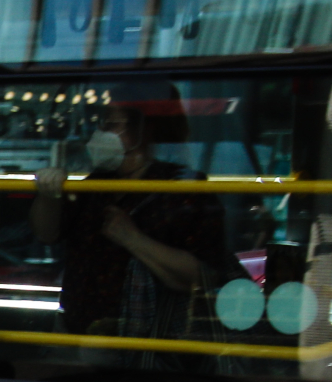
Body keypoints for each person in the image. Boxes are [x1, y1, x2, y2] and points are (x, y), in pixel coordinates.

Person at [32, 91, 231, 349]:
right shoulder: (96, 184)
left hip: (149, 346)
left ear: (144, 131)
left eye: (111, 125)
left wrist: (132, 238)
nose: (100, 134)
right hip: (75, 333)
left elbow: (201, 277)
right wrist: (49, 195)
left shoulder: (182, 187)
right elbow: (47, 233)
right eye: (100, 125)